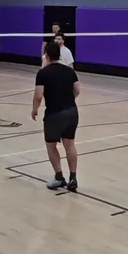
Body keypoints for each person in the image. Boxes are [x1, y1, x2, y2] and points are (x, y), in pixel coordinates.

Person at [32, 41, 81, 192]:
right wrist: (68, 99)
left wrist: (34, 109)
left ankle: (59, 177)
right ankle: (73, 178)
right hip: (72, 111)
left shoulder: (43, 73)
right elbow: (77, 90)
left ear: (46, 56)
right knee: (70, 145)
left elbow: (38, 95)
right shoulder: (69, 71)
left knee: (51, 145)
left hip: (54, 114)